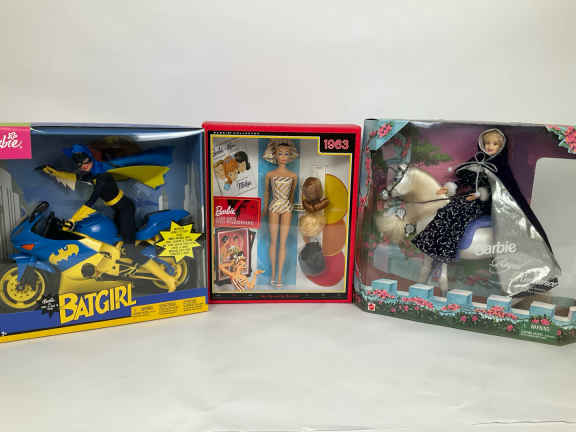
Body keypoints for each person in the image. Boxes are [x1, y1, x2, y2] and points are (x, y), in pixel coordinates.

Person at [411, 128, 561, 296]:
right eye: (487, 143)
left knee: (460, 212)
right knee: (447, 210)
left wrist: (479, 195)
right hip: (471, 198)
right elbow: (463, 181)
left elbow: (502, 189)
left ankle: (447, 248)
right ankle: (436, 245)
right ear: (482, 144)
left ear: (501, 146)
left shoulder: (500, 167)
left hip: (489, 203)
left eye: (495, 144)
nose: (490, 146)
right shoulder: (476, 161)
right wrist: (450, 187)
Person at [39, 144, 177, 292]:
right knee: (115, 242)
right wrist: (55, 173)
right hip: (118, 209)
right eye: (79, 164)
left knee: (130, 250)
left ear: (91, 158)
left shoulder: (102, 177)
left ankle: (168, 279)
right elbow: (76, 177)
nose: (83, 166)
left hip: (125, 209)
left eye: (86, 161)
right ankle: (108, 268)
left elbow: (91, 202)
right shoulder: (94, 173)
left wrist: (73, 220)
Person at [262, 141, 299, 287]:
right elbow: (267, 192)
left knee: (283, 243)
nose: (283, 156)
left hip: (286, 207)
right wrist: (265, 208)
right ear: (275, 155)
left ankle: (279, 277)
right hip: (274, 206)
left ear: (290, 156)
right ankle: (272, 275)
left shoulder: (293, 176)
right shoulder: (270, 175)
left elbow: (291, 195)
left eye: (286, 154)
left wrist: (291, 206)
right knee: (273, 241)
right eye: (280, 153)